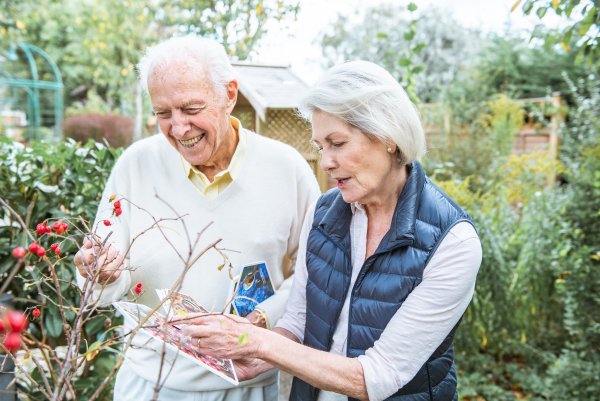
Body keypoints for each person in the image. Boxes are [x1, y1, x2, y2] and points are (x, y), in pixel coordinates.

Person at [180, 60, 483, 401]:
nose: (325, 162)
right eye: (320, 147)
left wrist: (258, 341)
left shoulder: (453, 243)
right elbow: (299, 317)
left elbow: (378, 377)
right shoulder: (325, 211)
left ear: (389, 137)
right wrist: (258, 357)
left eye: (337, 143)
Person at [73, 35, 320, 401]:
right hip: (148, 385)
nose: (178, 128)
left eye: (191, 109)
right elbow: (101, 282)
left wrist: (260, 321)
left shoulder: (287, 169)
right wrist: (98, 273)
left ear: (229, 95)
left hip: (247, 386)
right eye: (163, 114)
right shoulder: (135, 165)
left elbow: (315, 272)